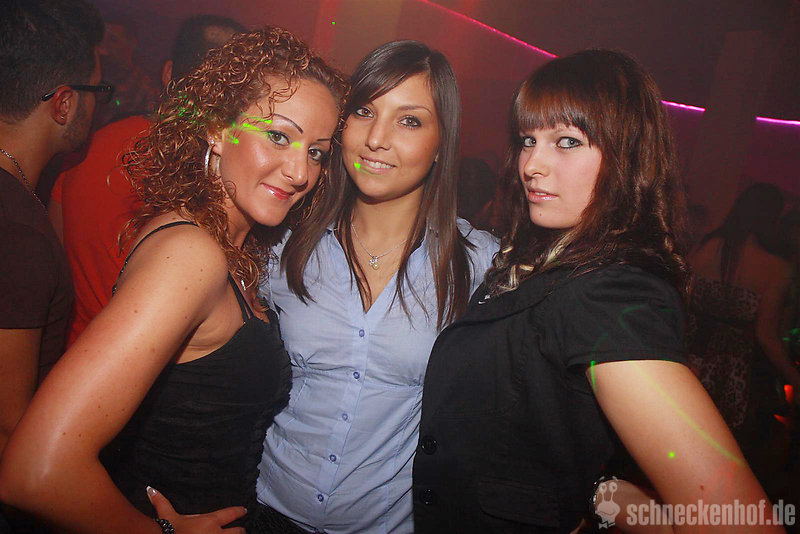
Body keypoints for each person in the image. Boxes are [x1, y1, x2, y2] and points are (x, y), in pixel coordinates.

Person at [412, 50, 781, 533]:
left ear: (627, 157)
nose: (532, 164)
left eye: (567, 141)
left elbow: (730, 517)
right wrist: (585, 493)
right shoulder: (550, 259)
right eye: (528, 140)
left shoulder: (610, 293)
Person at [0, 27, 347, 534]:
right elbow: (34, 472)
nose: (300, 172)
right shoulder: (190, 254)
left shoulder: (227, 245)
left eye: (316, 152)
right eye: (278, 135)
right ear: (217, 130)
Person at [253, 40, 498, 533]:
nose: (377, 139)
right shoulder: (283, 246)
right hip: (263, 510)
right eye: (364, 112)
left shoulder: (480, 265)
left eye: (409, 121)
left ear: (441, 144)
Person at [49, 14, 246, 347]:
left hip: (77, 348)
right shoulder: (223, 174)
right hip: (157, 367)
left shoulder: (90, 147)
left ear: (169, 73)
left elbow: (55, 253)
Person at [0, 0, 105, 454]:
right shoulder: (18, 235)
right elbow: (9, 429)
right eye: (97, 90)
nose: (98, 105)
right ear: (64, 103)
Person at [687, 184, 800, 448]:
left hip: (688, 353)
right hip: (729, 371)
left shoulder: (709, 245)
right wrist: (794, 378)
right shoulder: (777, 269)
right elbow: (766, 335)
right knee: (712, 447)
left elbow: (678, 296)